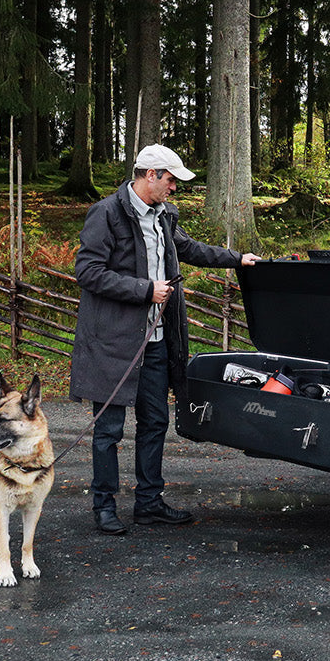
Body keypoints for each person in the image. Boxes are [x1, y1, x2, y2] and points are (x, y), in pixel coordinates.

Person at [70, 144, 259, 535]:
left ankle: (148, 503)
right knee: (107, 430)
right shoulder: (106, 213)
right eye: (171, 179)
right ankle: (103, 506)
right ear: (151, 174)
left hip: (155, 342)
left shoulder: (165, 215)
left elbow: (188, 249)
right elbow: (88, 272)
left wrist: (237, 258)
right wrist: (143, 290)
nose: (174, 188)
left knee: (155, 422)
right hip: (113, 343)